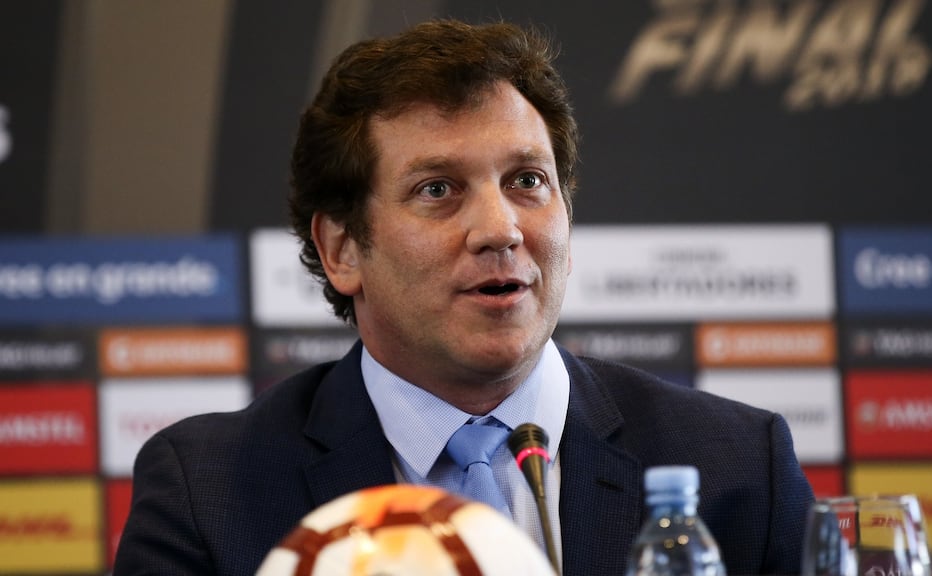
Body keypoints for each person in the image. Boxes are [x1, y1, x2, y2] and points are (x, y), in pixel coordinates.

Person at [114, 19, 814, 576]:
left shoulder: (740, 468)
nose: (500, 229)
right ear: (342, 251)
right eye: (438, 190)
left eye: (527, 181)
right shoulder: (209, 492)